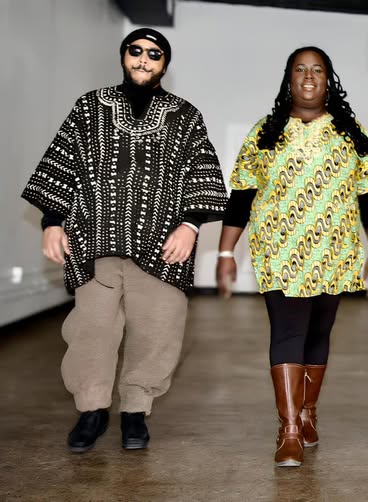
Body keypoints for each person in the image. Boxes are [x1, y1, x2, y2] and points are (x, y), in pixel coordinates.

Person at [20, 28, 228, 453]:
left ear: (164, 64)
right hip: (94, 240)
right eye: (136, 51)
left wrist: (190, 226)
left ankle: (135, 410)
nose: (144, 59)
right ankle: (92, 410)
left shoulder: (185, 115)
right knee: (91, 330)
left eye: (154, 53)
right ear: (123, 56)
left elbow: (202, 173)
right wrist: (52, 222)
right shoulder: (89, 107)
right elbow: (61, 164)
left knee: (158, 329)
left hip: (162, 246)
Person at [215, 46, 368, 467]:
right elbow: (241, 195)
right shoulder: (265, 132)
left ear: (328, 80)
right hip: (279, 250)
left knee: (318, 334)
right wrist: (225, 250)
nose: (309, 76)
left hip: (335, 250)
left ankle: (309, 413)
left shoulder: (351, 133)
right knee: (288, 332)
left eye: (317, 70)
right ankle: (289, 429)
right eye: (300, 69)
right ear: (288, 78)